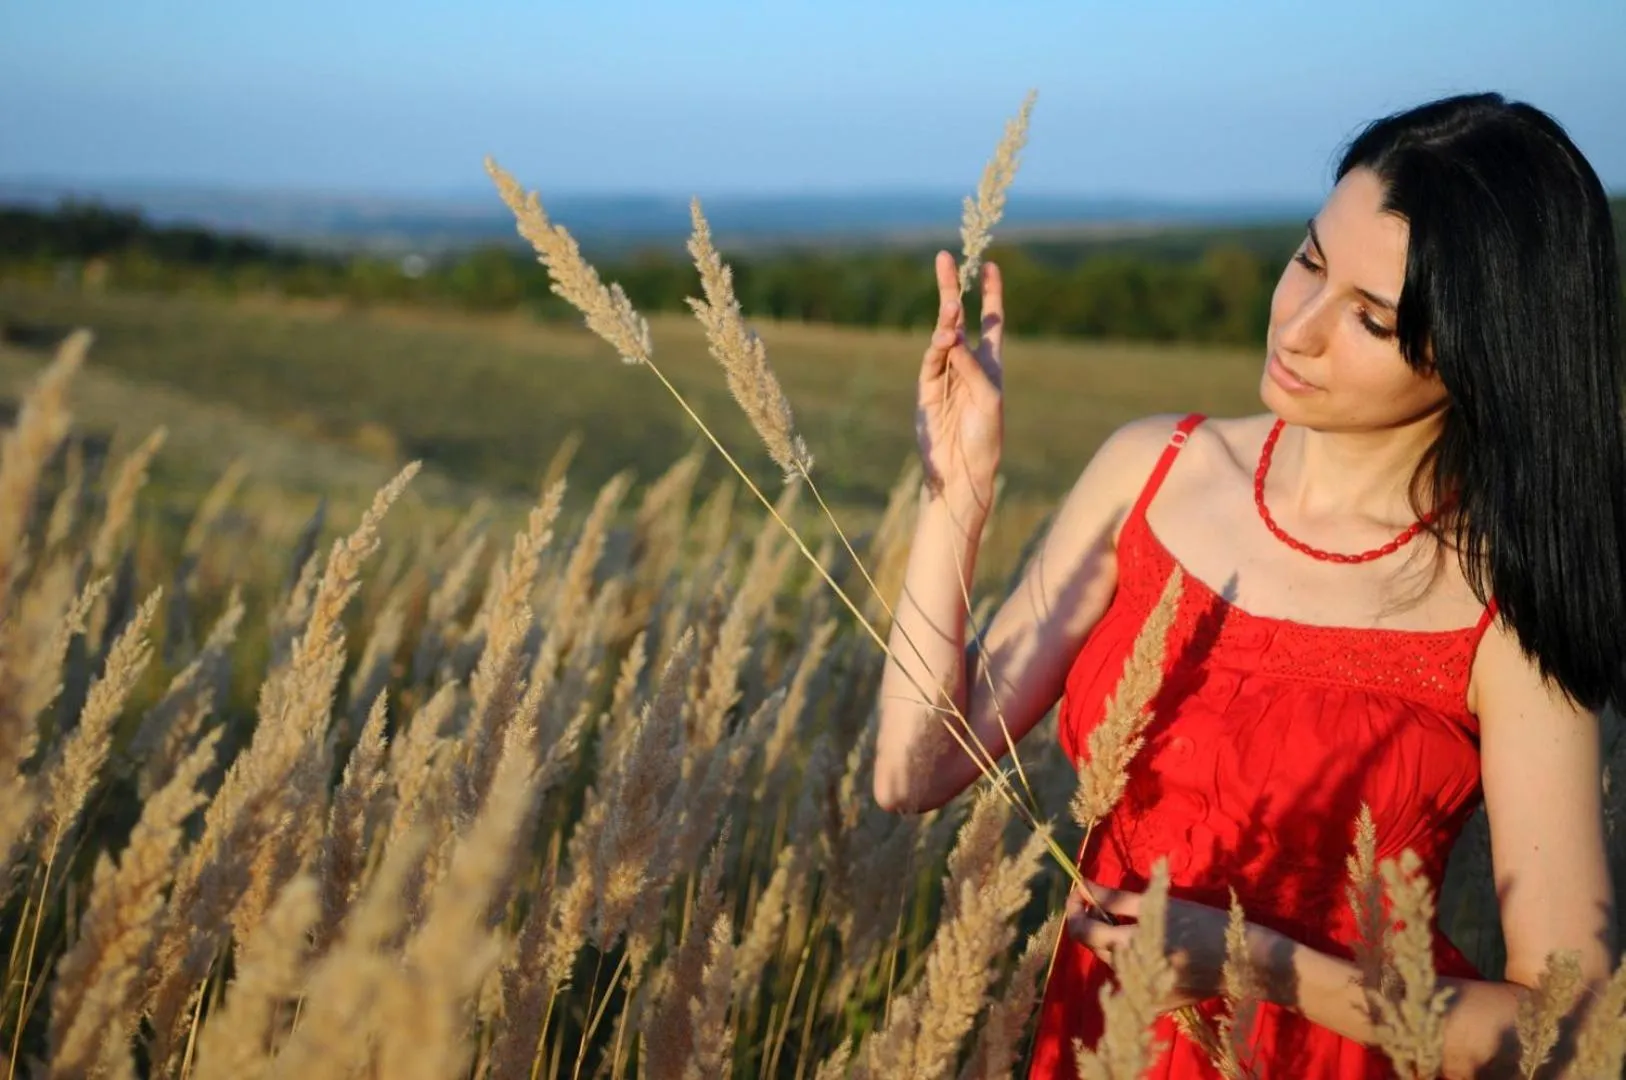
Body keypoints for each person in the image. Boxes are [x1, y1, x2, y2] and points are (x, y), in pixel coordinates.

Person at [871, 92, 1624, 1078]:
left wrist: (1261, 964)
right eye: (1308, 260)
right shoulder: (1150, 472)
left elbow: (1572, 1030)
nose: (1299, 328)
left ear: (1483, 355)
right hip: (1102, 1047)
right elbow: (914, 771)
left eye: (1370, 317)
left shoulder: (1503, 608)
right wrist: (957, 493)